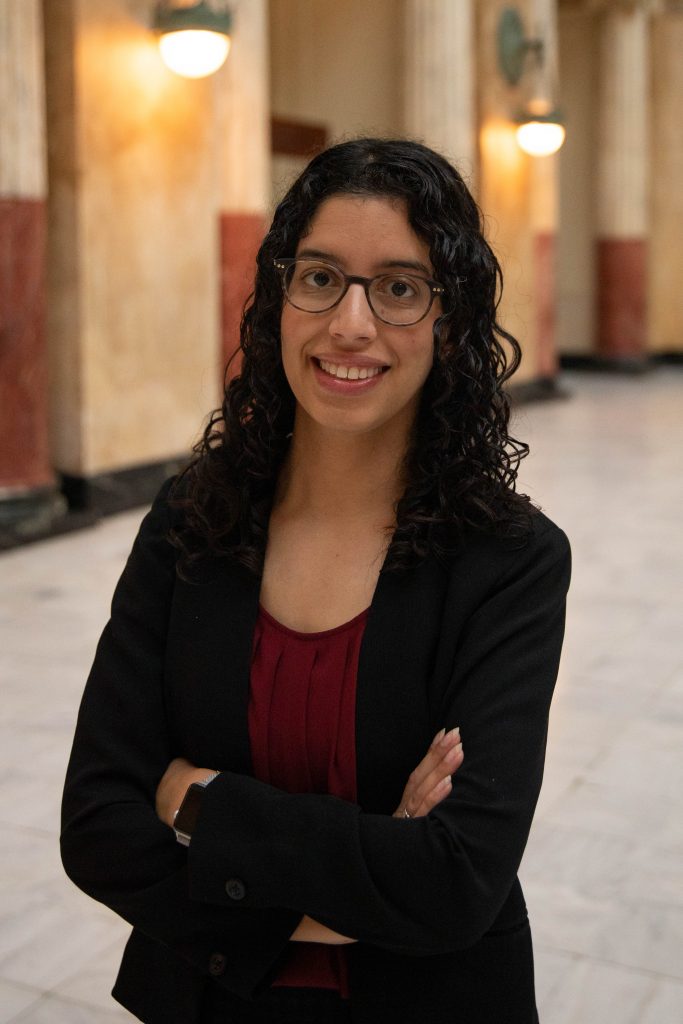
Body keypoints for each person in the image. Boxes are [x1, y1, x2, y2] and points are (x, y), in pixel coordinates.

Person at [61, 138, 570, 1024]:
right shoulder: (191, 523)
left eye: (400, 288)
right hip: (207, 995)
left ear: (450, 323)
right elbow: (99, 825)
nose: (351, 325)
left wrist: (195, 803)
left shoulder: (509, 562)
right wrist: (360, 887)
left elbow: (455, 882)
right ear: (279, 297)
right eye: (321, 277)